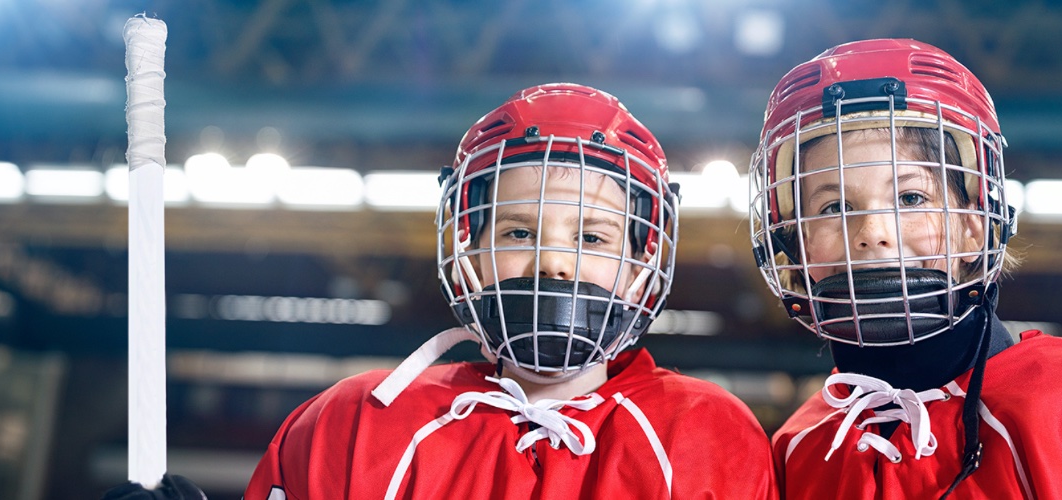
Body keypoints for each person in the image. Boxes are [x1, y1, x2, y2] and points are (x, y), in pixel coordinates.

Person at [241, 83, 776, 499]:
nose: (554, 263)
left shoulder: (707, 436)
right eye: (519, 232)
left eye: (591, 237)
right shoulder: (351, 424)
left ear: (641, 260)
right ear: (471, 248)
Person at [747, 39, 1062, 499]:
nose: (872, 231)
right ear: (793, 244)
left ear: (973, 229)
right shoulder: (797, 448)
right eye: (833, 206)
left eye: (910, 198)